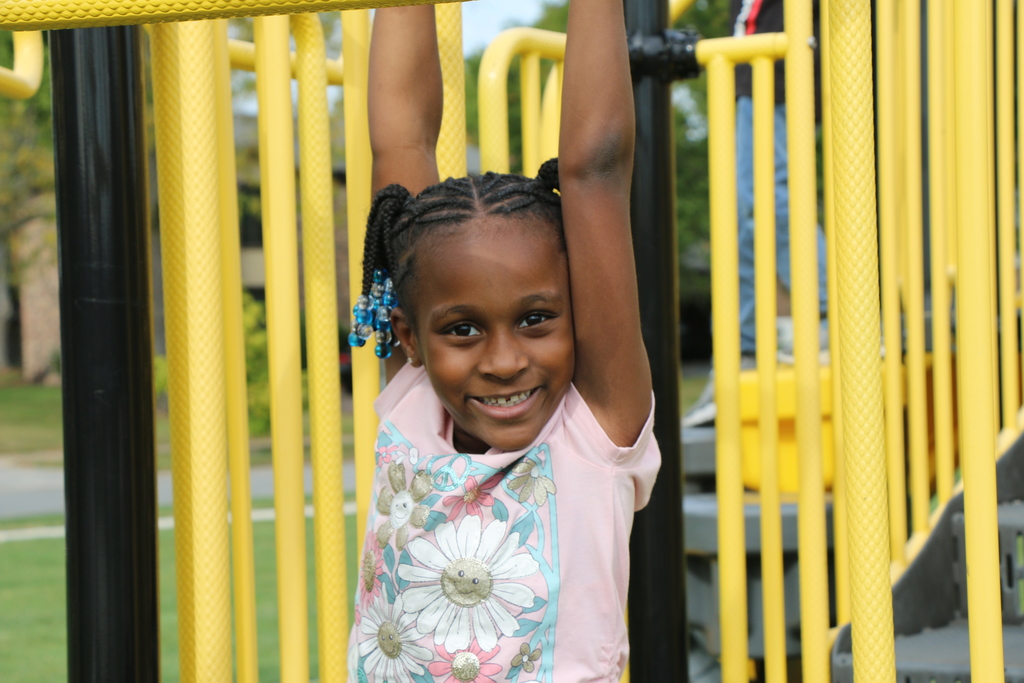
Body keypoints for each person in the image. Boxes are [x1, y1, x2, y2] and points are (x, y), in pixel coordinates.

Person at [345, 1, 660, 681]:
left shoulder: (594, 432)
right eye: (462, 329)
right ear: (410, 335)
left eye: (536, 319)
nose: (506, 358)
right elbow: (398, 143)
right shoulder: (413, 403)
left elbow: (593, 172)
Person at [682, 0, 829, 429]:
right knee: (740, 219)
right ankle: (745, 352)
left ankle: (824, 316)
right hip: (744, 73)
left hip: (779, 69)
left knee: (770, 200)